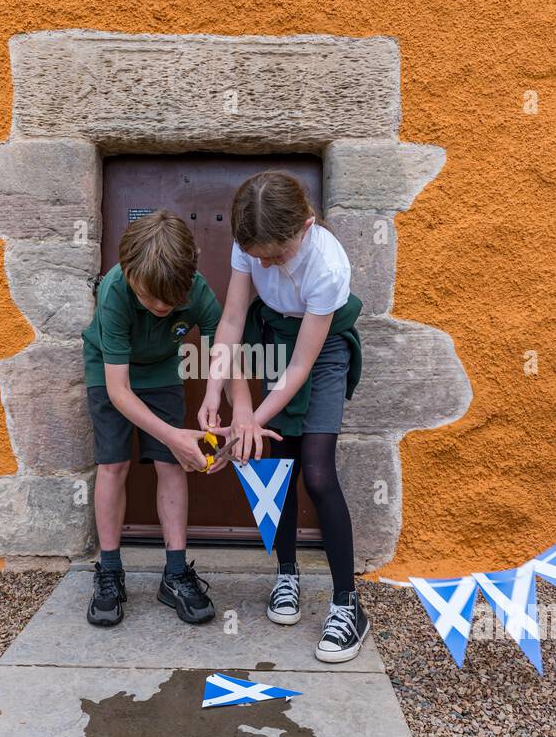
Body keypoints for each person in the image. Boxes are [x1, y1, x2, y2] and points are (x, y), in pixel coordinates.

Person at [199, 171, 367, 662]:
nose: (266, 262)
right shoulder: (249, 243)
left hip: (321, 350)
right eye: (258, 256)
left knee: (316, 470)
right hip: (273, 335)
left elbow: (300, 368)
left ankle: (346, 604)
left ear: (307, 227)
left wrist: (250, 420)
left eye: (278, 254)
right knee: (280, 462)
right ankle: (286, 574)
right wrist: (214, 390)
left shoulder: (327, 267)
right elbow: (231, 320)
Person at [81, 210, 223, 627]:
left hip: (162, 368)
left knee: (170, 463)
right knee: (113, 464)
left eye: (170, 301)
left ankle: (175, 573)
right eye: (149, 298)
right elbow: (119, 391)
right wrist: (173, 434)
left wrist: (217, 404)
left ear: (188, 282)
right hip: (110, 372)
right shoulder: (113, 292)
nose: (161, 307)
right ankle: (109, 571)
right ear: (127, 274)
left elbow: (223, 350)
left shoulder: (199, 292)